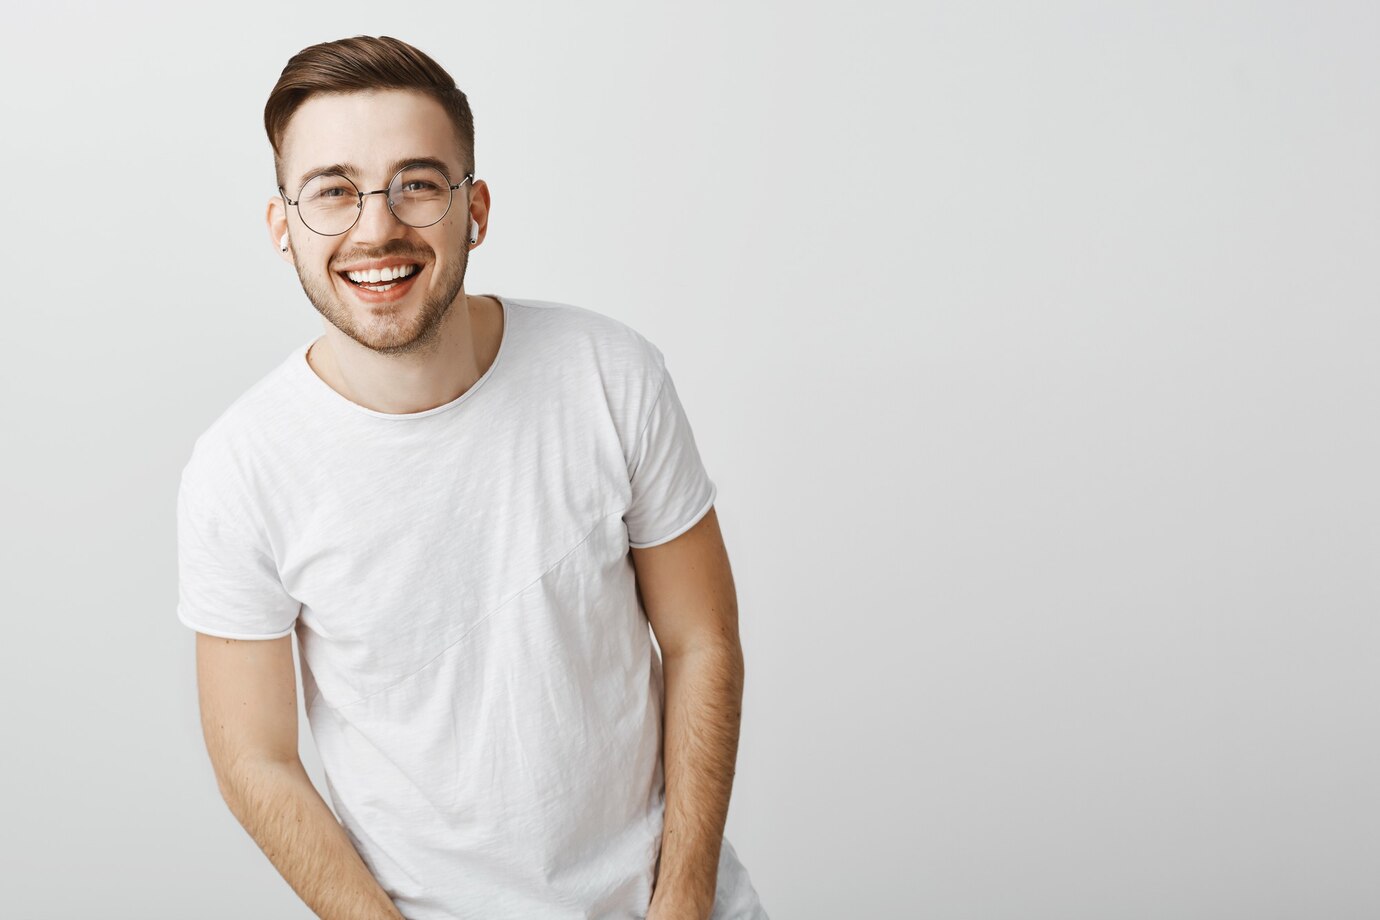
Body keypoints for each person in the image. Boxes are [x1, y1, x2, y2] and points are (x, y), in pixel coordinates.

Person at [176, 34, 768, 920]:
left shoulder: (608, 374)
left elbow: (702, 639)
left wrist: (682, 903)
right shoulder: (241, 469)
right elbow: (255, 759)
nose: (376, 228)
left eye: (417, 183)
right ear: (282, 227)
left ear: (475, 209)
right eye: (332, 192)